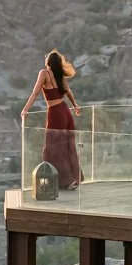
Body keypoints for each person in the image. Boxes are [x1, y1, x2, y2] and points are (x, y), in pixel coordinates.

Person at [23, 50, 83, 189]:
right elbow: (68, 92)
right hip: (66, 112)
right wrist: (75, 105)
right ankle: (72, 179)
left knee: (53, 147)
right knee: (68, 145)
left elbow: (35, 92)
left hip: (56, 113)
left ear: (47, 62)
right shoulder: (59, 75)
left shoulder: (44, 73)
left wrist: (25, 109)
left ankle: (67, 181)